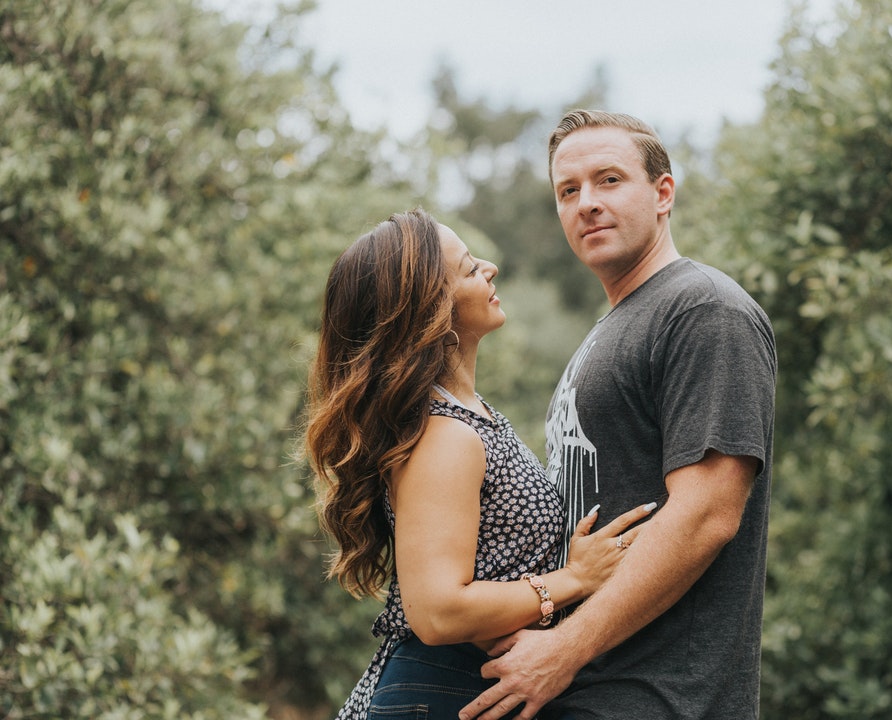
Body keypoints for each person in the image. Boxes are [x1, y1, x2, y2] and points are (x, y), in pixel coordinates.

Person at [459, 111, 777, 720]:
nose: (586, 204)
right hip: (588, 693)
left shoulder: (703, 310)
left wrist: (564, 650)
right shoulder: (616, 326)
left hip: (658, 698)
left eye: (609, 180)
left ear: (663, 193)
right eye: (568, 190)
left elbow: (707, 514)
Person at [304, 208, 655, 719]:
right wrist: (574, 580)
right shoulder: (446, 434)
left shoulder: (468, 415)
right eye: (470, 269)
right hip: (442, 690)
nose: (489, 268)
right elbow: (438, 612)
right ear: (431, 313)